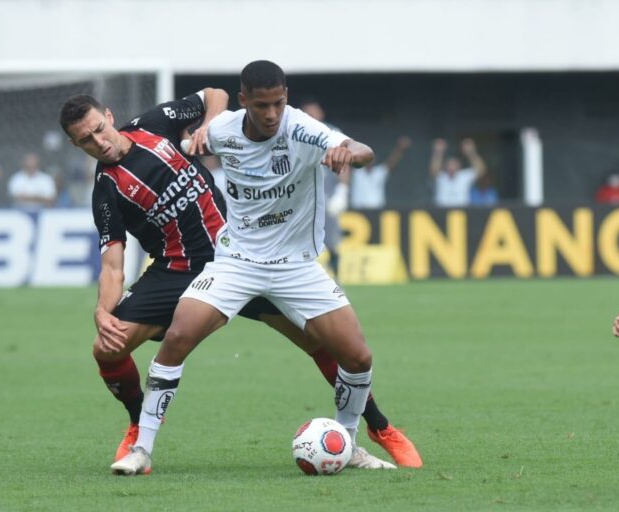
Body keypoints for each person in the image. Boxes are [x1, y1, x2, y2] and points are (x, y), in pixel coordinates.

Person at [59, 90, 416, 475]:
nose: (99, 142)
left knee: (321, 341)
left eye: (99, 129)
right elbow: (113, 265)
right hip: (175, 269)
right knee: (106, 349)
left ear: (110, 116)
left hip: (239, 255)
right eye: (86, 140)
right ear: (75, 145)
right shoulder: (107, 190)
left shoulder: (154, 124)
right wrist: (102, 311)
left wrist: (209, 126)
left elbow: (215, 94)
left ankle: (378, 426)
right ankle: (137, 425)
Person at [299, 99, 349, 276]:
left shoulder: (332, 133)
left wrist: (342, 191)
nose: (311, 116)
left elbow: (345, 161)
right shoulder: (295, 132)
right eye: (308, 113)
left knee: (331, 239)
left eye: (314, 112)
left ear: (321, 113)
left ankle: (336, 277)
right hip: (300, 195)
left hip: (326, 194)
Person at [349, 136, 411, 210]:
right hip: (358, 211)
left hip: (377, 211)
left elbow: (392, 162)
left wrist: (400, 149)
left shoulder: (379, 172)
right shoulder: (356, 172)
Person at [429, 138, 486, 207]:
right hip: (442, 211)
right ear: (445, 166)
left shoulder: (464, 176)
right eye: (450, 164)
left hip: (461, 211)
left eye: (454, 164)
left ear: (459, 166)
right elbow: (434, 170)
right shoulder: (441, 177)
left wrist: (471, 152)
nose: (452, 166)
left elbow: (480, 170)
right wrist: (438, 152)